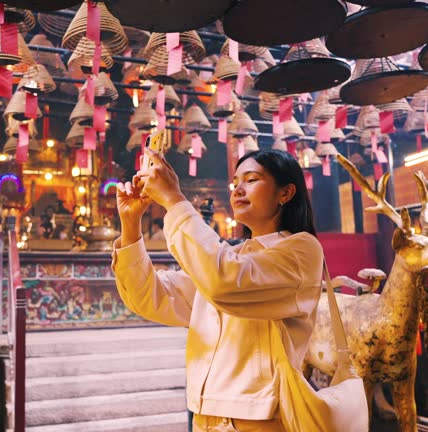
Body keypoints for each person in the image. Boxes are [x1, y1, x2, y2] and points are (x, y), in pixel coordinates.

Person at [113, 148, 328, 432]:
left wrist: (174, 200)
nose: (238, 190)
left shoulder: (301, 249)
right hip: (206, 416)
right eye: (235, 183)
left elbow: (224, 282)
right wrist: (130, 227)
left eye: (251, 180)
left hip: (260, 418)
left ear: (285, 193)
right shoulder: (232, 256)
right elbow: (150, 296)